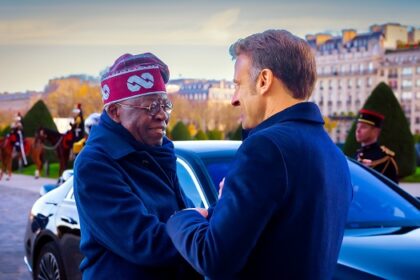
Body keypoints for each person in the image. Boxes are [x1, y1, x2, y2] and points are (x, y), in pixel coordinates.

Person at [166, 30, 353, 279]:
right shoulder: (332, 153)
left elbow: (213, 259)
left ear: (264, 80)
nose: (234, 99)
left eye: (238, 84)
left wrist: (182, 219)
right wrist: (221, 210)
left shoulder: (265, 148)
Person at [73, 53, 201, 279]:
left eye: (164, 105)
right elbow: (146, 244)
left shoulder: (157, 152)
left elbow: (180, 215)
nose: (162, 115)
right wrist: (207, 226)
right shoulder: (95, 164)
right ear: (115, 112)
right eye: (150, 106)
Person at [355, 109, 399, 183]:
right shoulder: (357, 154)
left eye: (363, 127)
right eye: (357, 127)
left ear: (375, 131)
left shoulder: (385, 158)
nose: (358, 130)